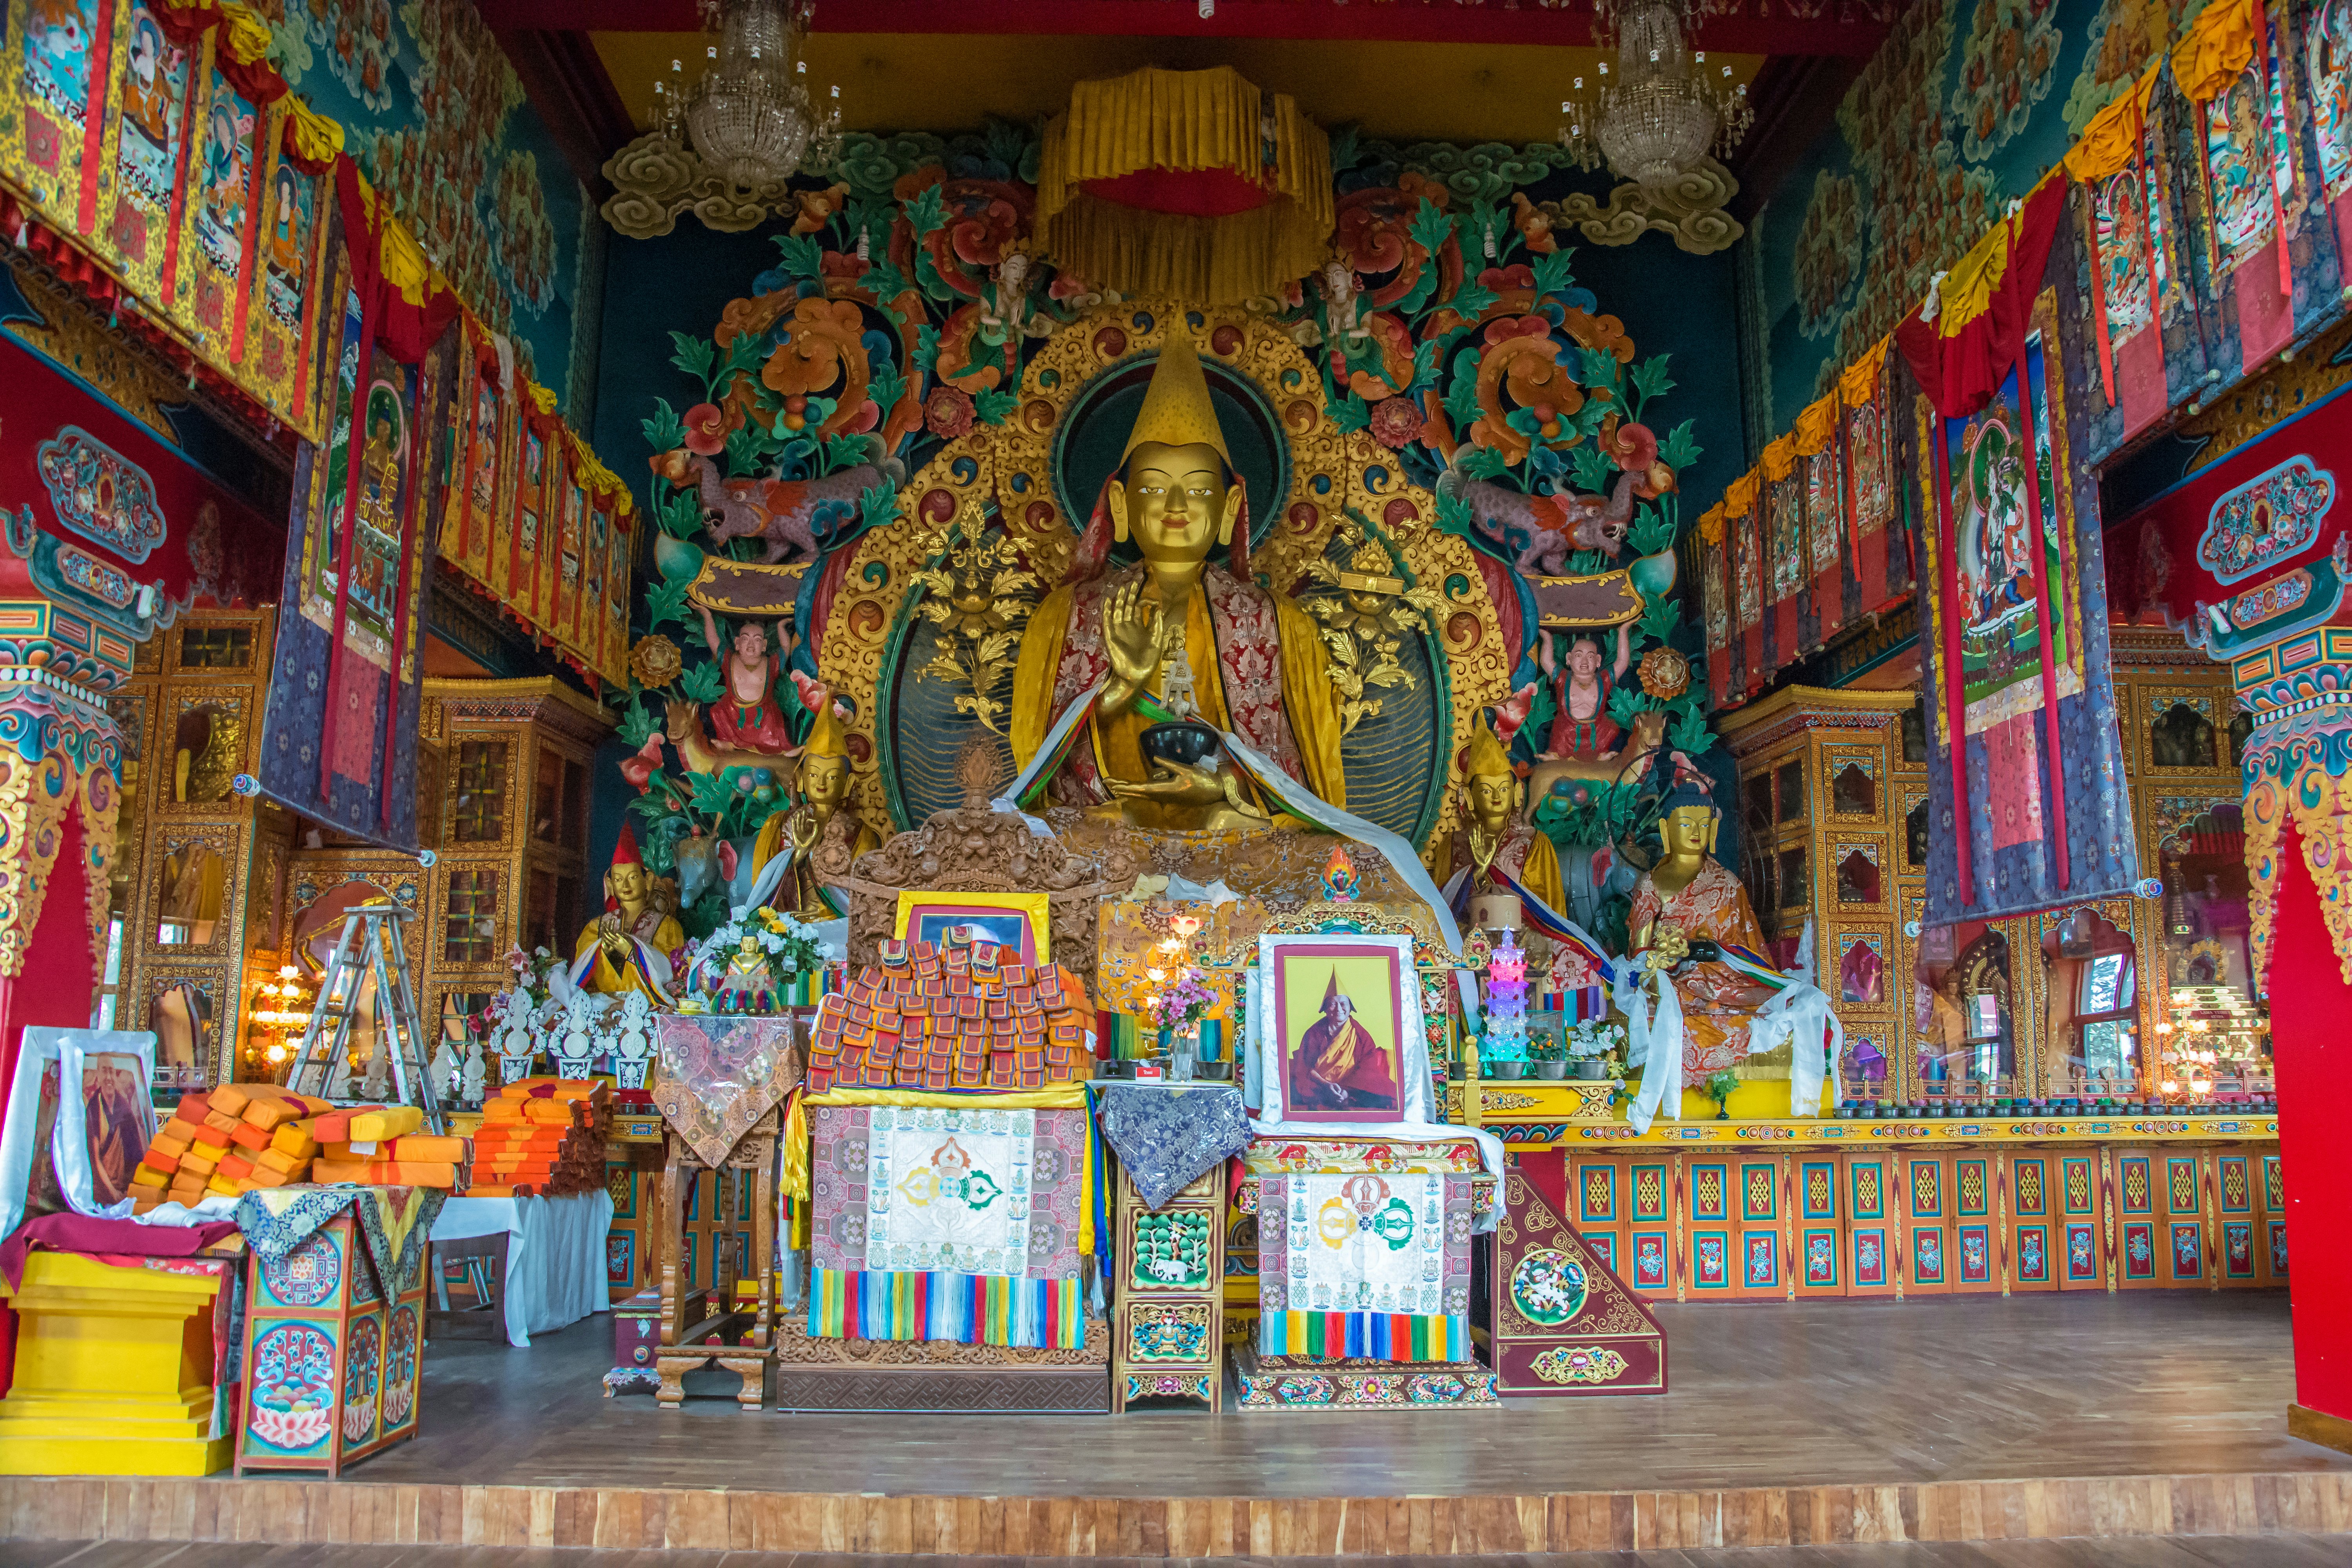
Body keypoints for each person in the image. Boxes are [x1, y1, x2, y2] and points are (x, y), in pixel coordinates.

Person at [1009, 327, 1345, 829]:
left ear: (1231, 509)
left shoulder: (1281, 625)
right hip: (1105, 835)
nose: (1175, 507)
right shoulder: (1064, 617)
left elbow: (1318, 801)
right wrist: (1120, 688)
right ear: (1121, 506)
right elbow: (1035, 782)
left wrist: (1230, 792)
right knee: (1098, 829)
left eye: (1198, 492)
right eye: (1153, 488)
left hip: (1234, 836)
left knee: (1244, 832)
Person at [1627, 778, 1780, 1089]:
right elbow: (1638, 954)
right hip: (1673, 977)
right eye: (1685, 824)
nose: (1696, 833)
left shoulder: (1727, 882)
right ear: (1666, 828)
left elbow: (1747, 946)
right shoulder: (1652, 882)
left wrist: (1715, 959)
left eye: (1703, 824)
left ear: (1713, 830)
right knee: (1653, 1005)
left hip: (1725, 975)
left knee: (1778, 1004)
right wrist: (1665, 962)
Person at [571, 826, 685, 1004]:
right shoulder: (596, 928)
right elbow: (580, 978)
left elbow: (672, 975)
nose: (625, 885)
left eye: (632, 877)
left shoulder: (667, 926)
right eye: (618, 879)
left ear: (647, 880)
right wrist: (604, 955)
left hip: (648, 1005)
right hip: (601, 1005)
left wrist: (633, 953)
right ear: (610, 884)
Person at [1289, 970, 1398, 1113]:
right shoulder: (1314, 1033)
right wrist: (1327, 1085)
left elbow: (1367, 1070)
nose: (1339, 1009)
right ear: (1326, 1009)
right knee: (1293, 1090)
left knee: (1385, 1094)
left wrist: (1346, 1092)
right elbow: (1304, 1067)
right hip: (1319, 1086)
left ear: (1350, 1007)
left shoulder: (1361, 1036)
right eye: (1333, 1004)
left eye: (1343, 1004)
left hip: (1352, 1088)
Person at [698, 603, 797, 753]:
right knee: (718, 712)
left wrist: (781, 627)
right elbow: (714, 641)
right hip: (733, 713)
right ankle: (728, 742)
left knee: (774, 721)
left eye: (757, 640)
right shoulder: (729, 660)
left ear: (764, 645)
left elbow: (785, 648)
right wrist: (707, 615)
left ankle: (781, 749)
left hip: (763, 716)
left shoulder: (772, 664)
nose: (751, 644)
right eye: (745, 639)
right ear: (737, 643)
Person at [1541, 624, 1632, 762]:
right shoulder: (1563, 679)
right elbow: (1547, 661)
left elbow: (1622, 662)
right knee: (1561, 731)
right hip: (1568, 729)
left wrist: (1623, 631)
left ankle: (1601, 754)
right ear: (1569, 659)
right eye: (1578, 656)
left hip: (1597, 730)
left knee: (1611, 729)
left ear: (1598, 661)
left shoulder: (1604, 680)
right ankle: (1556, 754)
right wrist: (1547, 637)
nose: (1584, 661)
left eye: (1590, 657)